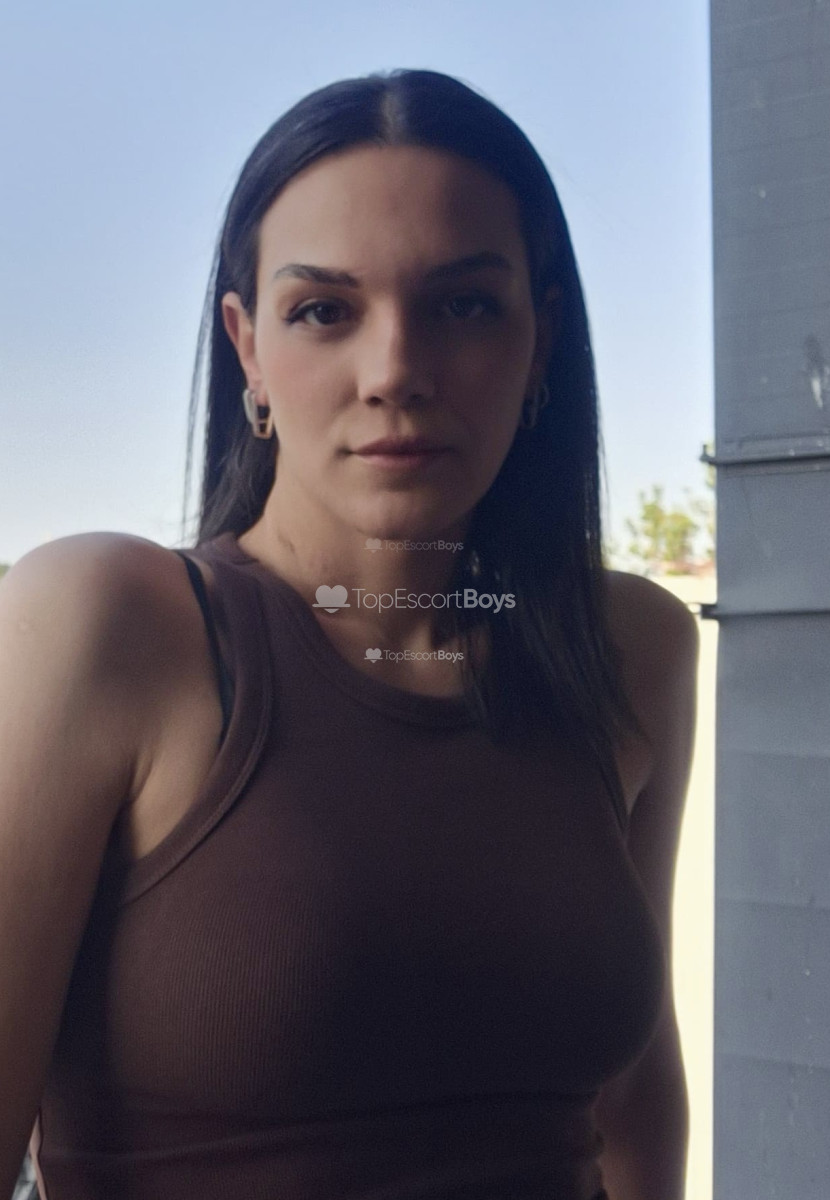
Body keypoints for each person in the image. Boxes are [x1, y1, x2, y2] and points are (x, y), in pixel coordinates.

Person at [0, 69, 698, 1200]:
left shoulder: (629, 647)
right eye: (324, 310)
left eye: (464, 305)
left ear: (543, 339)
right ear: (247, 351)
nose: (395, 374)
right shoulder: (108, 625)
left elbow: (632, 1105)